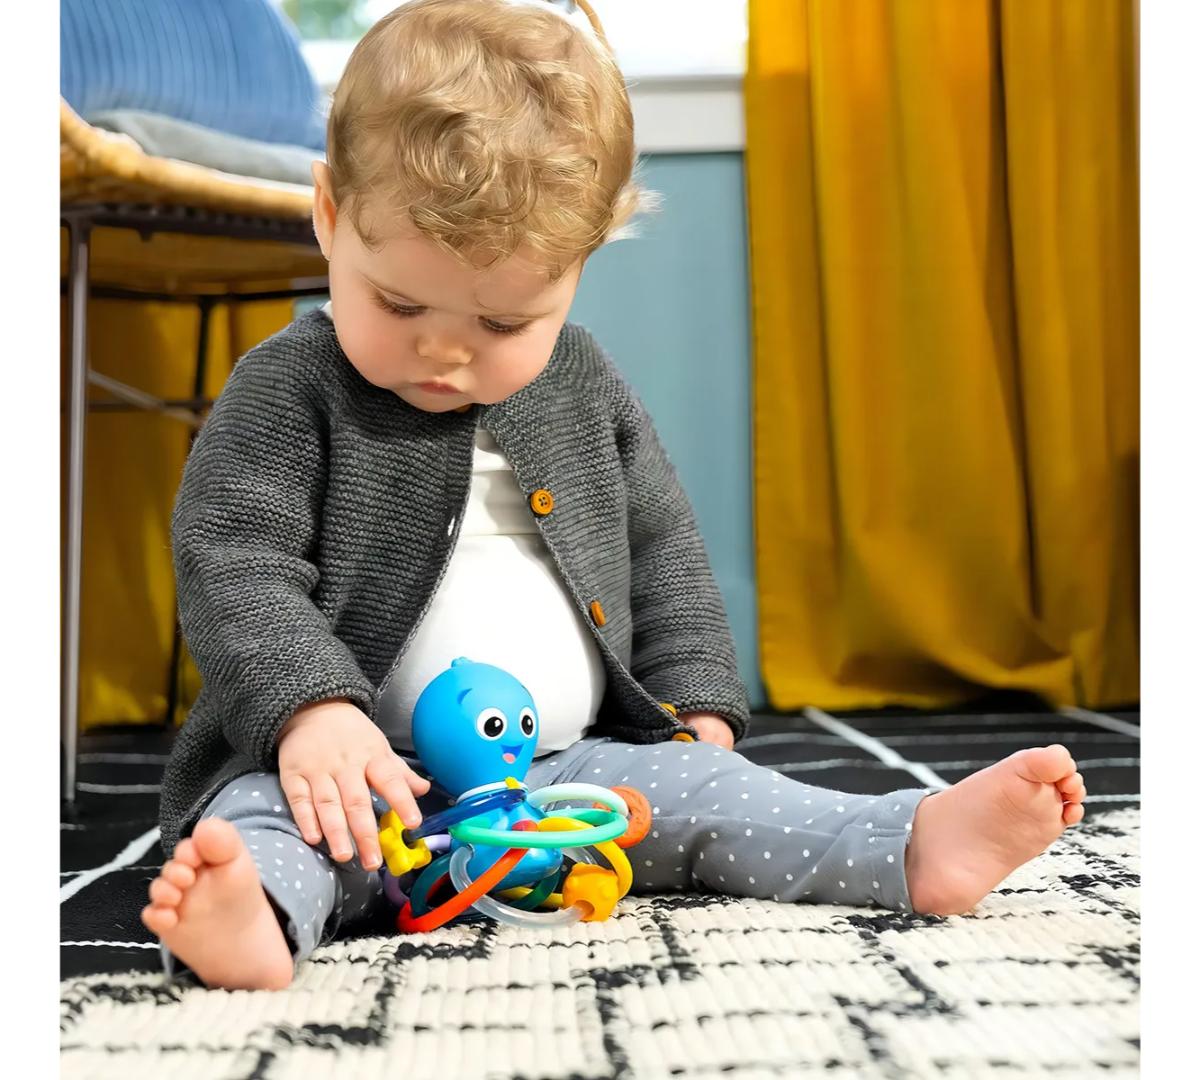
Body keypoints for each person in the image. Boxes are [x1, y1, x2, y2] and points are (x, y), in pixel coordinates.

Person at [141, 0, 1087, 991]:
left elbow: (662, 552)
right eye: (401, 303)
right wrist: (312, 713)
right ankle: (255, 915)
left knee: (722, 796)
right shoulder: (289, 387)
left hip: (572, 776)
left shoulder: (585, 386)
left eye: (502, 324)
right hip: (366, 778)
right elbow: (232, 561)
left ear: (577, 271)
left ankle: (909, 845)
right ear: (331, 216)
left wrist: (697, 708)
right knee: (270, 819)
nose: (444, 351)